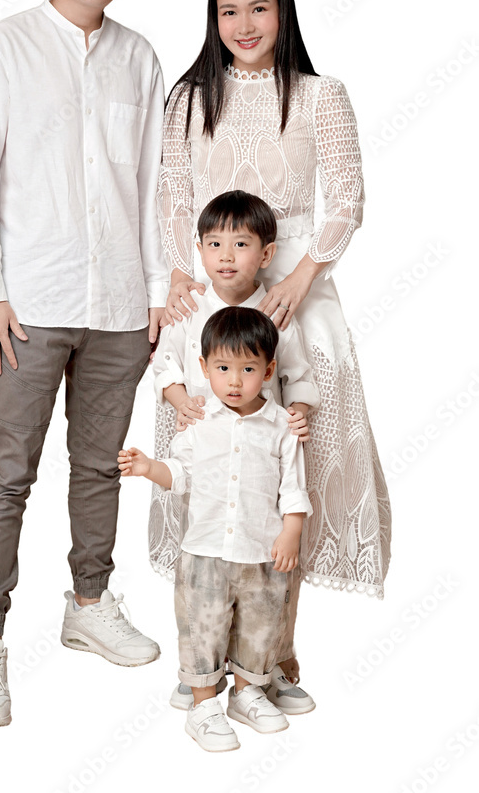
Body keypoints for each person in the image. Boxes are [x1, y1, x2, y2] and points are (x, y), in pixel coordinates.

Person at [0, 0, 169, 728]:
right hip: (27, 305)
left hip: (118, 305)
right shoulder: (2, 49)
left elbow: (152, 186)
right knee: (7, 473)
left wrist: (156, 293)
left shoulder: (139, 58)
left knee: (99, 466)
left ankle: (89, 604)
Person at [152, 0, 392, 686]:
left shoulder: (320, 95)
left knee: (289, 469)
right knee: (216, 466)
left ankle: (274, 651)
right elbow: (173, 195)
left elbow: (346, 199)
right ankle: (206, 656)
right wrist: (181, 276)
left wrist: (302, 276)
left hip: (294, 299)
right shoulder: (190, 97)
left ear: (282, 9)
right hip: (213, 295)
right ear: (212, 18)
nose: (244, 24)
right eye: (228, 11)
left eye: (258, 7)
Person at [151, 188, 319, 714]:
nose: (226, 256)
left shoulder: (274, 311)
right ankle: (201, 668)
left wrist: (299, 412)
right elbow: (165, 366)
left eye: (241, 244)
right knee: (207, 563)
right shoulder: (188, 308)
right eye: (214, 244)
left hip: (261, 452)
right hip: (206, 451)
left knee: (265, 566)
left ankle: (265, 666)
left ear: (265, 254)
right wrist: (181, 402)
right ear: (199, 249)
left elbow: (298, 376)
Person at [120, 306, 313, 752]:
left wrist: (291, 532)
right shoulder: (198, 421)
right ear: (204, 368)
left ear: (268, 371)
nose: (234, 381)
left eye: (248, 369)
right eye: (223, 368)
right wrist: (150, 468)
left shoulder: (282, 426)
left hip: (262, 551)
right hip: (204, 551)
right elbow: (181, 473)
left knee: (260, 627)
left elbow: (293, 487)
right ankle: (204, 704)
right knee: (201, 629)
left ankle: (247, 694)